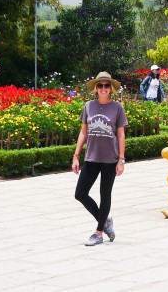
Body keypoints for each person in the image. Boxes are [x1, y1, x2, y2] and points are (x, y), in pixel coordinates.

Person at [73, 71, 127, 246]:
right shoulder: (89, 106)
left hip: (110, 159)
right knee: (80, 193)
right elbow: (83, 132)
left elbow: (121, 135)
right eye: (100, 85)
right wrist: (76, 156)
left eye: (106, 85)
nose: (103, 88)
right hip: (91, 158)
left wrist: (121, 160)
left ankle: (99, 233)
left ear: (111, 89)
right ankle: (105, 222)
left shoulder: (118, 108)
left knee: (105, 194)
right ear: (95, 89)